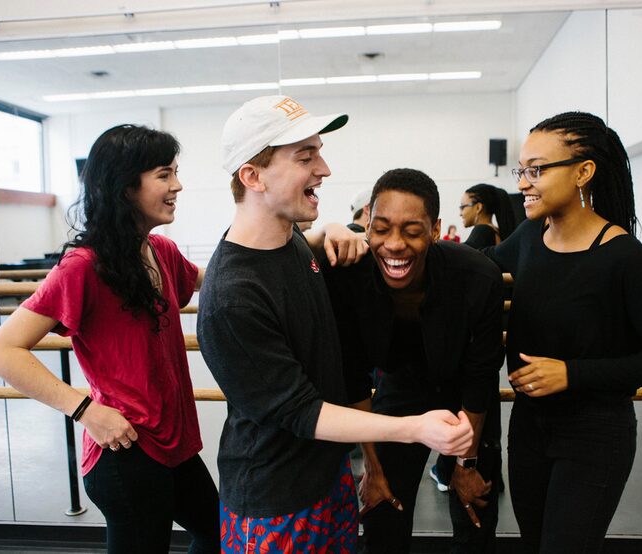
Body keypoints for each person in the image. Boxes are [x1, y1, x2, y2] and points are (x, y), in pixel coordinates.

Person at [196, 95, 473, 553]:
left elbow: (293, 250)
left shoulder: (291, 243)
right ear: (252, 176)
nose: (323, 169)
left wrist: (328, 231)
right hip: (275, 506)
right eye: (306, 157)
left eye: (319, 152)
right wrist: (414, 427)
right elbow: (302, 412)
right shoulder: (233, 298)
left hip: (328, 483)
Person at [0, 124, 219, 553]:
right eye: (165, 174)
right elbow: (0, 351)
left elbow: (223, 280)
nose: (177, 185)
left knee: (218, 532)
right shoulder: (83, 267)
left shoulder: (160, 251)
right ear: (126, 187)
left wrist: (309, 240)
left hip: (174, 445)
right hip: (126, 451)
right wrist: (86, 411)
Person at [484, 112, 642, 553]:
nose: (523, 182)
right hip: (528, 428)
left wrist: (571, 374)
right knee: (536, 543)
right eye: (523, 170)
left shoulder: (625, 258)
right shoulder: (528, 237)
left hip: (595, 433)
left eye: (536, 169)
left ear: (583, 171)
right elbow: (469, 268)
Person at [325, 168, 505, 553]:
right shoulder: (350, 278)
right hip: (400, 387)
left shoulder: (477, 276)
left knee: (474, 511)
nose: (394, 244)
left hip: (466, 395)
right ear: (367, 225)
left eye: (411, 230)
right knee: (382, 511)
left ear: (436, 229)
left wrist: (465, 464)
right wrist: (371, 467)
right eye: (382, 228)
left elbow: (481, 372)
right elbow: (353, 375)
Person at [460, 183, 522, 249]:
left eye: (462, 207)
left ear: (478, 207)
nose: (460, 213)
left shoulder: (482, 230)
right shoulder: (496, 231)